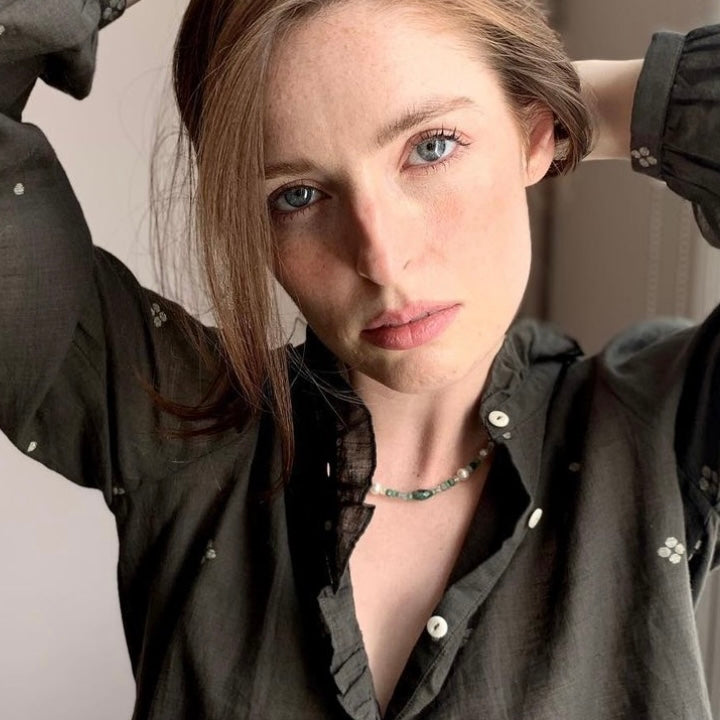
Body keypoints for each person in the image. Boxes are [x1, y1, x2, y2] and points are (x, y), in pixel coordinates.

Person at [1, 0, 719, 718]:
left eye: (432, 147)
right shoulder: (175, 427)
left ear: (535, 130)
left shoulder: (663, 431)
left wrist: (592, 104)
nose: (380, 257)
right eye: (298, 195)